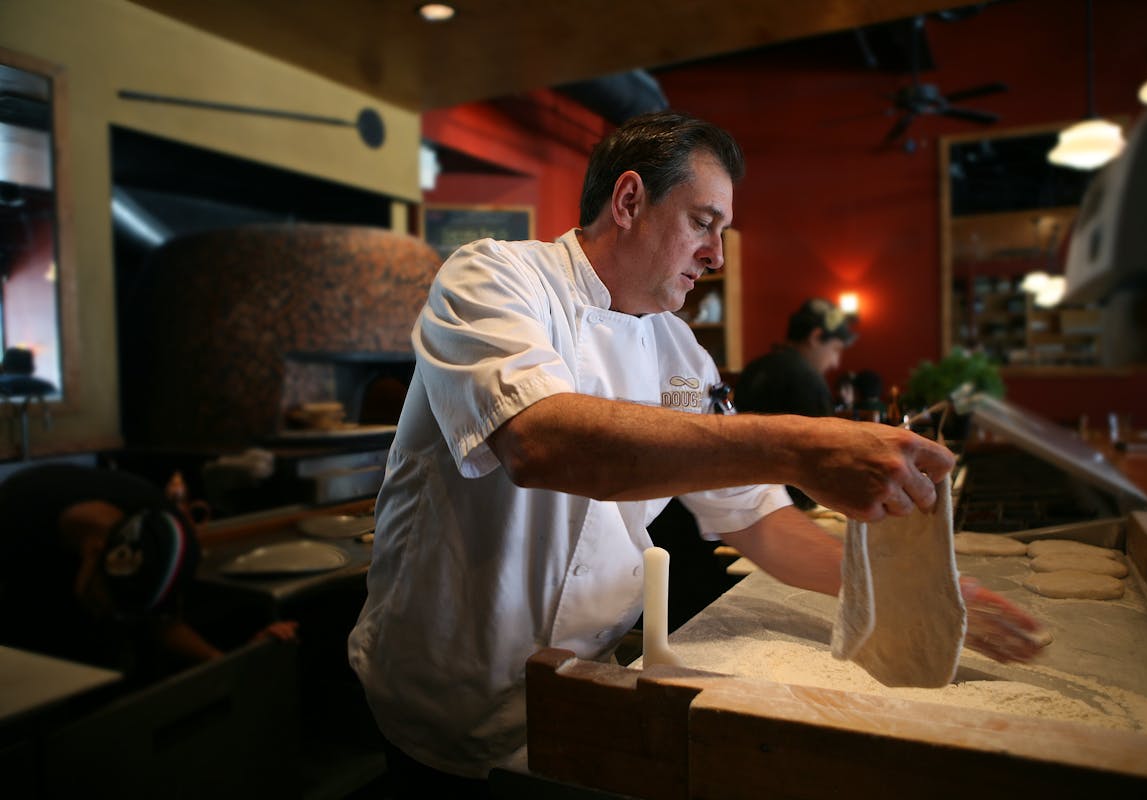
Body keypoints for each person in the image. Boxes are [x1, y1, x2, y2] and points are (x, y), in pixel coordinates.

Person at [348, 110, 1046, 793]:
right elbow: (541, 440)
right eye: (703, 223)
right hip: (450, 689)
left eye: (722, 231)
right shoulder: (493, 280)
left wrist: (910, 591)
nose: (715, 255)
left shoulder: (678, 351)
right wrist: (798, 445)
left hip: (587, 685)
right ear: (629, 200)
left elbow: (757, 520)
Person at [0, 462, 297, 688]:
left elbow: (163, 624)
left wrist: (229, 665)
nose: (112, 614)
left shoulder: (165, 534)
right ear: (90, 554)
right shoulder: (16, 516)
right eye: (107, 605)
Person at [734, 297, 858, 508]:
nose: (835, 362)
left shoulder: (755, 368)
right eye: (836, 349)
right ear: (816, 336)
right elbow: (824, 455)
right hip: (791, 506)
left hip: (742, 501)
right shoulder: (807, 379)